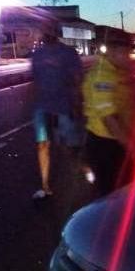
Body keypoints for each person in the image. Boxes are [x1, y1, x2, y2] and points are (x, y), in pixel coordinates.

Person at [30, 27, 84, 199]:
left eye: (50, 29)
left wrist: (77, 103)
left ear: (56, 32)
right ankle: (45, 185)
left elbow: (77, 79)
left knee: (68, 146)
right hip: (42, 107)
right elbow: (35, 80)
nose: (47, 33)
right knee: (42, 145)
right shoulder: (37, 54)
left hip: (64, 105)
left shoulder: (68, 53)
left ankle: (77, 179)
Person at [81, 42, 135, 196]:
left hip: (117, 140)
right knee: (112, 193)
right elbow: (109, 118)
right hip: (106, 144)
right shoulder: (102, 76)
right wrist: (133, 148)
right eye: (125, 53)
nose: (129, 57)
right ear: (112, 52)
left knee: (124, 189)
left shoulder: (116, 71)